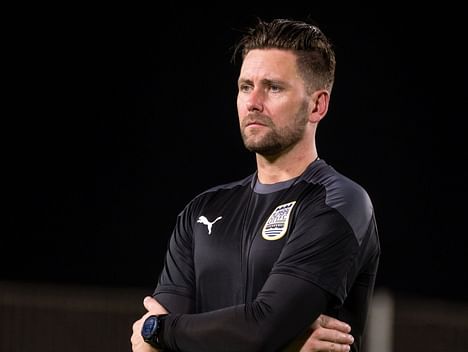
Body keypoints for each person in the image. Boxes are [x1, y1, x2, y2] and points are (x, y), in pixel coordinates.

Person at [131, 17, 380, 352]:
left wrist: (157, 330)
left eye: (273, 87)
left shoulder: (338, 203)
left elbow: (261, 329)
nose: (253, 102)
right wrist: (282, 345)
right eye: (246, 86)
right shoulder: (202, 211)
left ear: (317, 105)